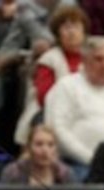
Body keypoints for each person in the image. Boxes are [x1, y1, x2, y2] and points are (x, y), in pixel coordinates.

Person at [44, 37, 104, 177]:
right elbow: (57, 130)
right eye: (98, 59)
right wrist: (93, 159)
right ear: (84, 61)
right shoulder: (67, 86)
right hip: (76, 164)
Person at [14, 4, 87, 146]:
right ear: (58, 34)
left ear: (84, 32)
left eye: (76, 27)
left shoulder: (90, 58)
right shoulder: (49, 59)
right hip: (49, 112)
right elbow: (45, 97)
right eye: (66, 28)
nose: (72, 32)